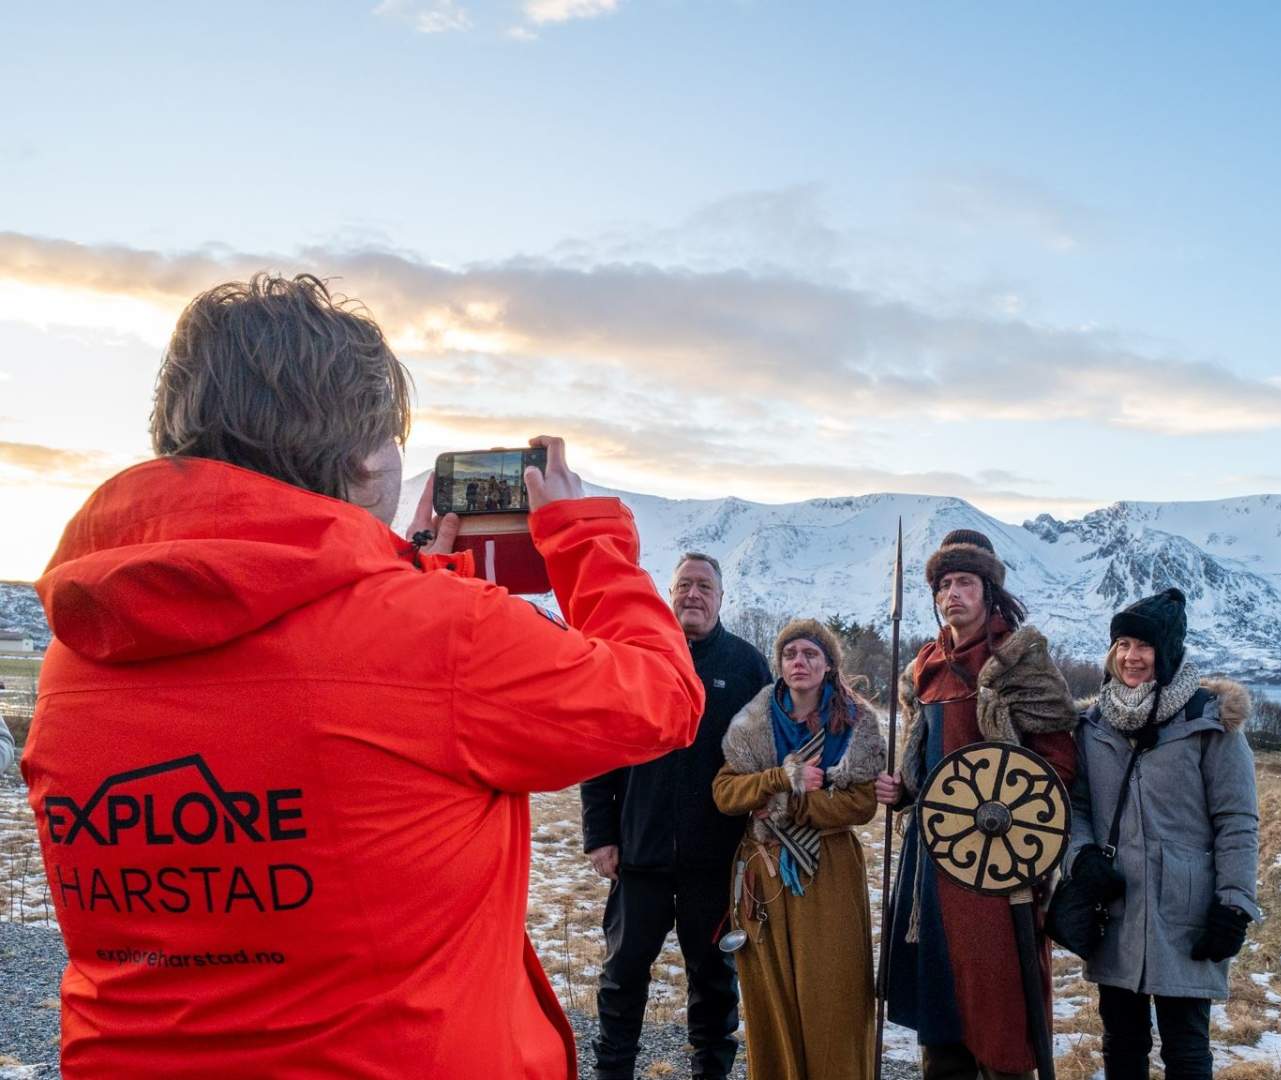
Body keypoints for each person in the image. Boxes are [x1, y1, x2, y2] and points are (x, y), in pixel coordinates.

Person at [21, 274, 704, 1079]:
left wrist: (401, 576)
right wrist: (582, 537)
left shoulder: (84, 645)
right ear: (360, 459)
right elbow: (661, 694)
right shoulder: (440, 636)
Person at [877, 529, 1079, 1080]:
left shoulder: (1020, 662)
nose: (952, 594)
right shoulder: (925, 667)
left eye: (964, 581)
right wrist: (904, 791)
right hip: (931, 858)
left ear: (988, 590)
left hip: (996, 866)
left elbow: (1055, 768)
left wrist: (1005, 818)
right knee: (940, 1003)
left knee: (998, 1007)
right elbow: (926, 763)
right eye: (944, 584)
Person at [580, 552, 772, 1080]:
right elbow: (600, 748)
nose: (693, 594)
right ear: (669, 594)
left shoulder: (746, 665)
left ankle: (710, 1073)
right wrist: (600, 835)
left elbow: (767, 755)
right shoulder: (638, 656)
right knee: (622, 975)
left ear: (721, 598)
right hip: (638, 853)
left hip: (715, 859)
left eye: (705, 586)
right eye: (684, 584)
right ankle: (613, 1072)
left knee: (713, 980)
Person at [1067, 588, 1260, 1080]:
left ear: (1168, 652)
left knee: (1187, 1050)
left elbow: (1237, 821)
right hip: (1116, 906)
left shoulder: (1210, 723)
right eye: (1123, 644)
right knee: (1121, 1044)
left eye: (1145, 646)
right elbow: (1076, 807)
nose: (1131, 657)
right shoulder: (1092, 724)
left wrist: (1234, 904)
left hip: (1187, 910)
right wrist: (1081, 857)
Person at [711, 619, 884, 1079]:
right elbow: (725, 793)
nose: (799, 662)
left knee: (833, 996)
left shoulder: (857, 723)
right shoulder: (753, 723)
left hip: (828, 869)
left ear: (829, 665)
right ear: (780, 664)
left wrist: (791, 804)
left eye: (810, 654)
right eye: (790, 654)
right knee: (771, 996)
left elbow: (862, 802)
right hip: (764, 872)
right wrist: (778, 778)